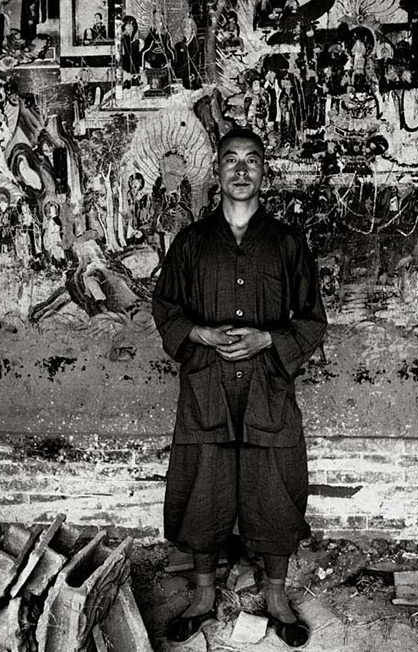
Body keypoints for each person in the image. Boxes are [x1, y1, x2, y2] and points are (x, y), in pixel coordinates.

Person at [152, 128, 327, 647]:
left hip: (267, 387)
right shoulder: (191, 242)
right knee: (203, 487)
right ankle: (204, 594)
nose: (242, 169)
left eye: (252, 160)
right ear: (218, 171)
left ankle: (276, 596)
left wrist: (267, 339)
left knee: (275, 487)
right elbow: (165, 308)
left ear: (264, 171)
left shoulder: (287, 243)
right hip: (207, 385)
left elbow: (313, 320)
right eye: (231, 160)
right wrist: (200, 334)